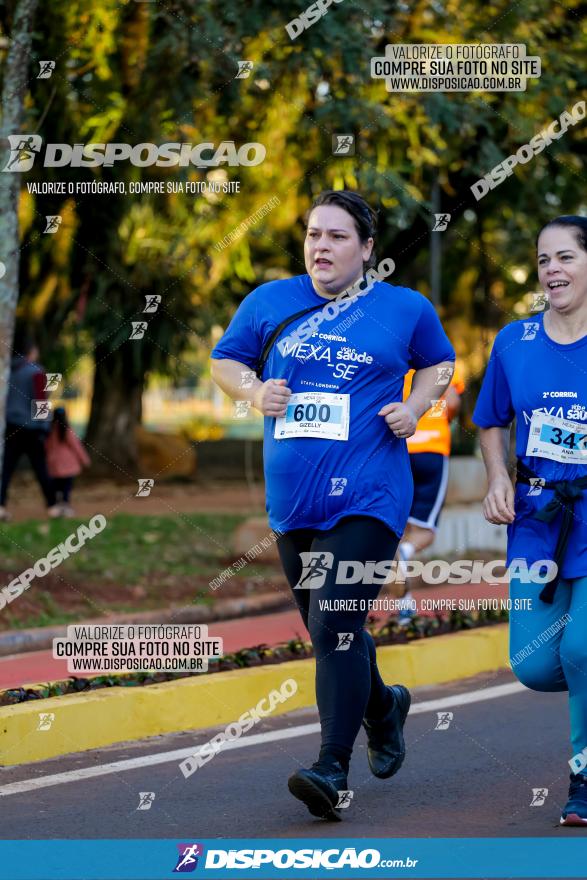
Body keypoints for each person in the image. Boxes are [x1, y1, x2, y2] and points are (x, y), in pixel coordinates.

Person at [211, 189, 456, 820]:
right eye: (314, 235)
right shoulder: (270, 302)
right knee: (327, 630)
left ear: (368, 249)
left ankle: (330, 768)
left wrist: (416, 406)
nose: (321, 247)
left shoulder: (403, 308)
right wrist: (254, 389)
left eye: (337, 237)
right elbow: (225, 360)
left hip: (371, 495)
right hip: (295, 503)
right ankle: (383, 706)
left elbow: (441, 363)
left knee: (335, 622)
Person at [473, 215, 587, 826]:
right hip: (538, 522)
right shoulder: (513, 342)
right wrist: (498, 477)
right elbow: (491, 419)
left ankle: (584, 781)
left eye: (565, 257)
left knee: (582, 648)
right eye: (543, 260)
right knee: (535, 663)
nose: (552, 271)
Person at [397, 362, 465, 623]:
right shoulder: (442, 360)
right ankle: (406, 554)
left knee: (397, 532)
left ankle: (405, 606)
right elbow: (454, 403)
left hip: (399, 450)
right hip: (433, 450)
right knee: (424, 532)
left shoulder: (397, 357)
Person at [0, 338, 59, 521]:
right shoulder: (36, 372)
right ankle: (53, 507)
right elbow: (40, 401)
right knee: (41, 467)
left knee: (6, 468)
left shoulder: (8, 371)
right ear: (32, 351)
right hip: (32, 429)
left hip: (10, 426)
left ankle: (1, 506)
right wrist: (45, 427)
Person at [45, 406, 91, 517]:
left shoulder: (49, 430)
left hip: (54, 464)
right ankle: (65, 506)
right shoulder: (67, 430)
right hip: (68, 465)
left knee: (56, 487)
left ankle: (56, 506)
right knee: (66, 487)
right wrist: (85, 460)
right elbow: (76, 446)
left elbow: (46, 446)